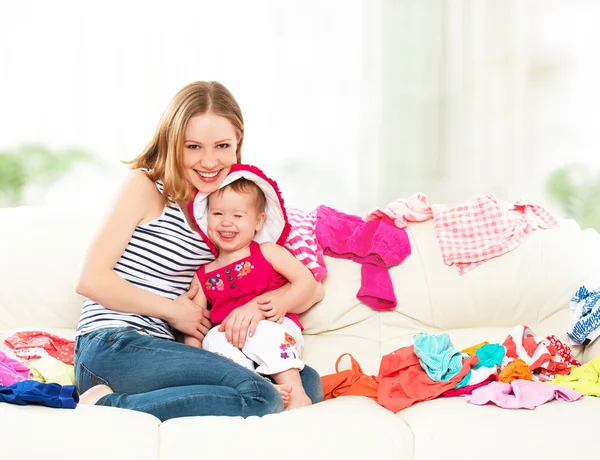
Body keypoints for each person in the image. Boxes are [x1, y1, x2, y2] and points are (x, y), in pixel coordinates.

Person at [73, 81, 324, 421]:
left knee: (306, 383)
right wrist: (174, 312)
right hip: (112, 345)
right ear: (173, 144)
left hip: (167, 353)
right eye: (193, 146)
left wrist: (256, 308)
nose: (209, 161)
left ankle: (157, 400)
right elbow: (91, 280)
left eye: (222, 145)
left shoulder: (225, 213)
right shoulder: (146, 188)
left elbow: (308, 288)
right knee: (262, 395)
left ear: (238, 145)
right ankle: (102, 406)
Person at [185, 168, 315, 410]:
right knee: (213, 340)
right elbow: (195, 324)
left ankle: (297, 393)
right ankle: (257, 386)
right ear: (206, 217)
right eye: (217, 213)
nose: (226, 222)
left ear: (258, 221)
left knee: (263, 332)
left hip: (275, 328)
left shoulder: (267, 251)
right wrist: (195, 360)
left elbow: (307, 282)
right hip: (232, 337)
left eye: (238, 215)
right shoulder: (203, 275)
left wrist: (283, 303)